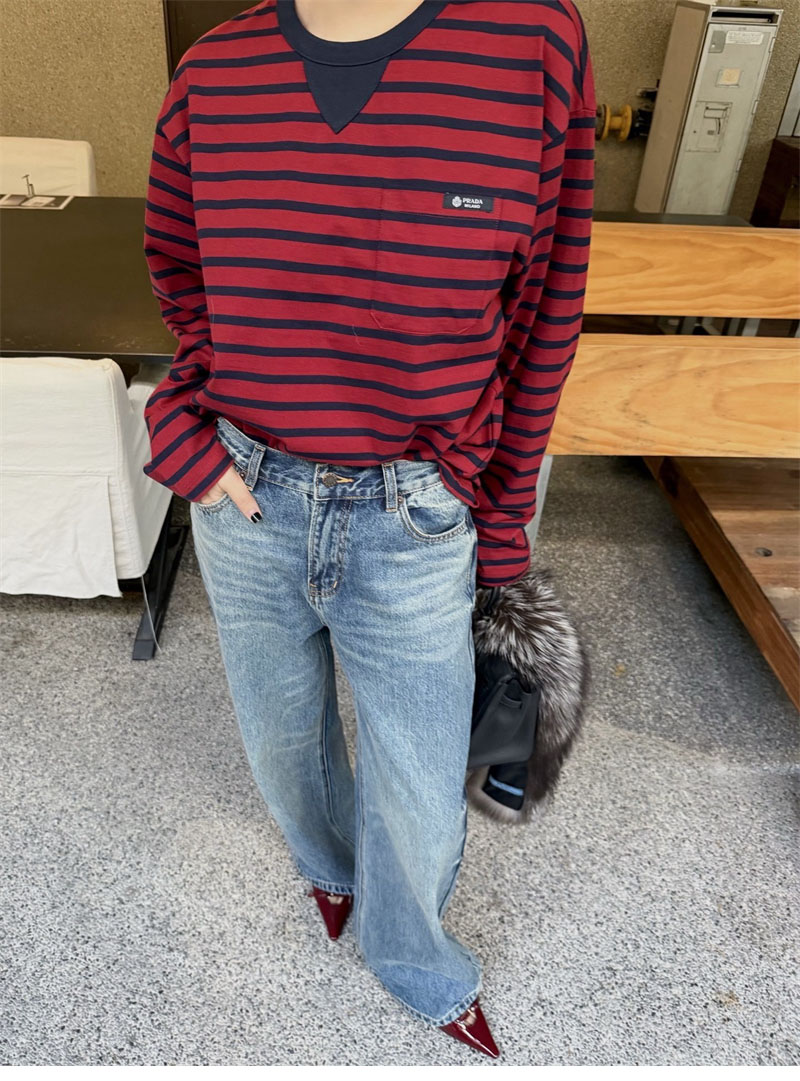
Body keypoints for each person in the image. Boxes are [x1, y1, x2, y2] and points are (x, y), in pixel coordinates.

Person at [141, 0, 595, 1058]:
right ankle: (328, 867)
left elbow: (544, 316)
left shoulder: (529, 40)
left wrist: (501, 528)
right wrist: (184, 425)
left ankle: (413, 955)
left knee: (420, 778)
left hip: (414, 510)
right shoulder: (214, 73)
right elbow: (182, 278)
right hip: (245, 496)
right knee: (280, 737)